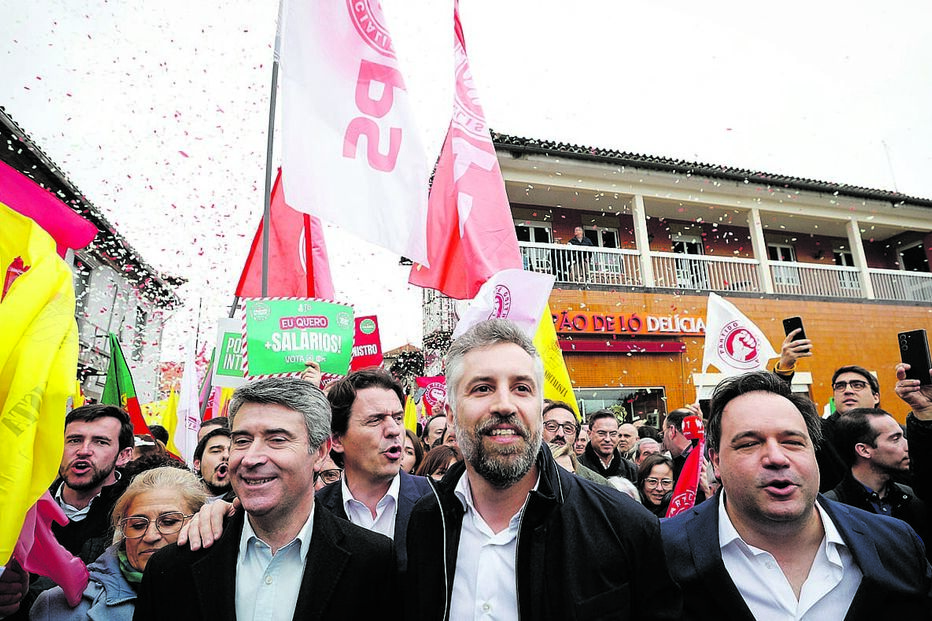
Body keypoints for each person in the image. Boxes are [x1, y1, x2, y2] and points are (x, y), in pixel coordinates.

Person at [406, 319, 682, 620]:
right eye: (482, 388)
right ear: (451, 414)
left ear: (539, 409)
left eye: (521, 388)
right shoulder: (425, 520)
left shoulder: (624, 526)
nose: (504, 405)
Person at [662, 370, 932, 620]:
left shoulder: (896, 544)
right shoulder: (659, 552)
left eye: (792, 442)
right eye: (749, 444)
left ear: (814, 453)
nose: (776, 458)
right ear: (716, 462)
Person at [134, 377, 399, 621]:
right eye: (241, 440)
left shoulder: (372, 561)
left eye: (277, 439)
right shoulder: (173, 566)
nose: (251, 457)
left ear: (320, 452)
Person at [30, 467, 207, 621]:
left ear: (200, 521)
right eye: (138, 525)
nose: (150, 536)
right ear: (122, 530)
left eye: (168, 522)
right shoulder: (56, 606)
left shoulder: (228, 587)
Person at [316, 369, 432, 572]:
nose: (394, 430)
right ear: (336, 440)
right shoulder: (314, 513)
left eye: (397, 418)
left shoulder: (437, 501)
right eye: (375, 420)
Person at [824, 407, 929, 558]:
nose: (907, 445)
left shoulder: (912, 498)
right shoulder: (833, 510)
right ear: (864, 450)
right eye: (896, 439)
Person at [542, 401, 610, 485]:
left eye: (568, 428)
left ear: (575, 436)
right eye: (551, 426)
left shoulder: (598, 484)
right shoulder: (523, 477)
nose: (560, 434)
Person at [578, 410, 638, 481]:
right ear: (589, 434)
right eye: (601, 433)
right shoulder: (577, 466)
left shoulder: (631, 469)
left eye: (613, 434)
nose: (607, 439)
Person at [192, 427, 231, 502]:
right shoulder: (180, 499)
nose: (226, 456)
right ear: (197, 463)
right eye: (216, 451)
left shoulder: (245, 505)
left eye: (231, 451)